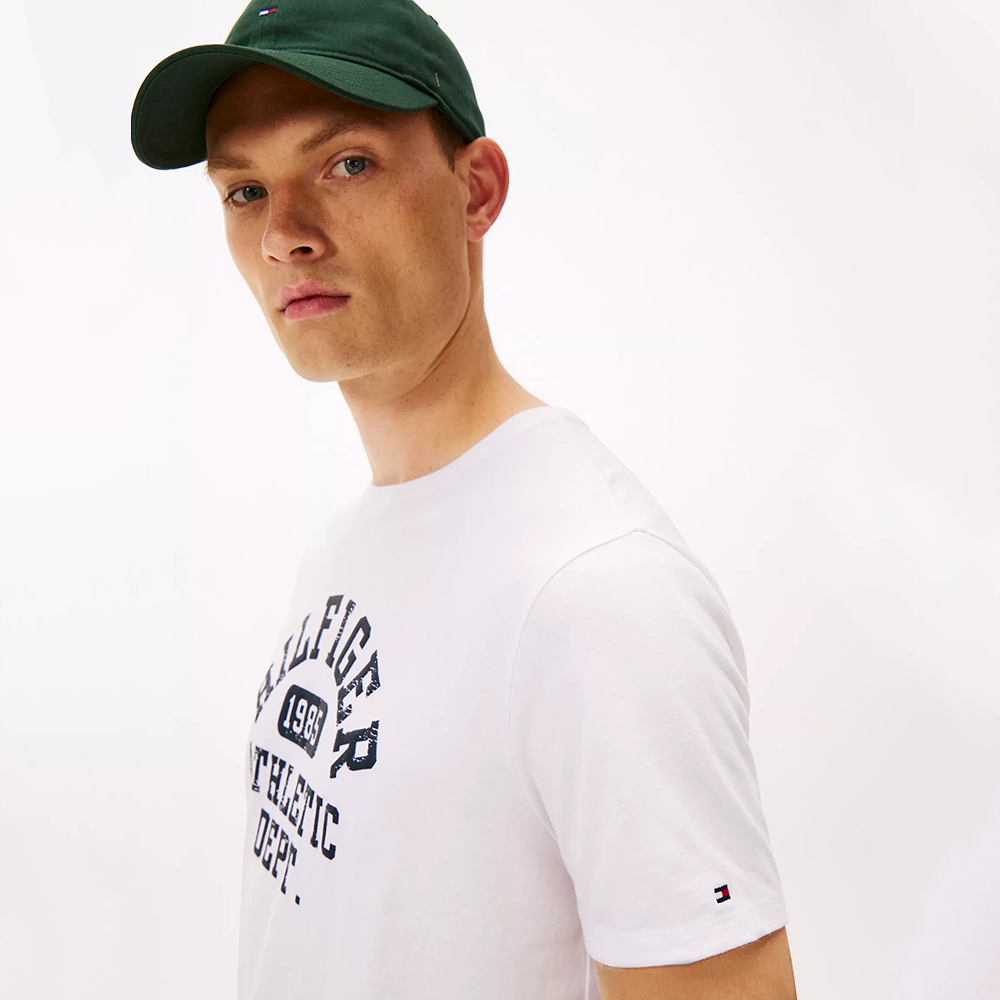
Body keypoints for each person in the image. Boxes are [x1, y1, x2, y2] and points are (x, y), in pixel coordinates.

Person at [131, 1, 797, 997]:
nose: (283, 235)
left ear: (475, 189)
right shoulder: (346, 545)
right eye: (245, 190)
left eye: (346, 164)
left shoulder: (597, 592)